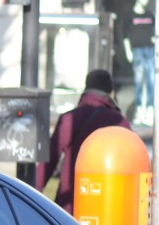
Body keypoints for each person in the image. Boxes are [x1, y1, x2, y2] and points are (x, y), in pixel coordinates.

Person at [35, 69, 130, 215]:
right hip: (109, 208)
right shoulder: (120, 123)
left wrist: (32, 195)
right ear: (111, 93)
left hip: (72, 208)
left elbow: (48, 161)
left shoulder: (70, 119)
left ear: (86, 89)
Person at [123, 0, 155, 125]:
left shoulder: (149, 15)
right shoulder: (130, 16)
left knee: (151, 80)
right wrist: (128, 51)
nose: (145, 0)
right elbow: (124, 35)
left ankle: (149, 109)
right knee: (138, 81)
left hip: (150, 50)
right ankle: (139, 111)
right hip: (137, 51)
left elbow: (154, 31)